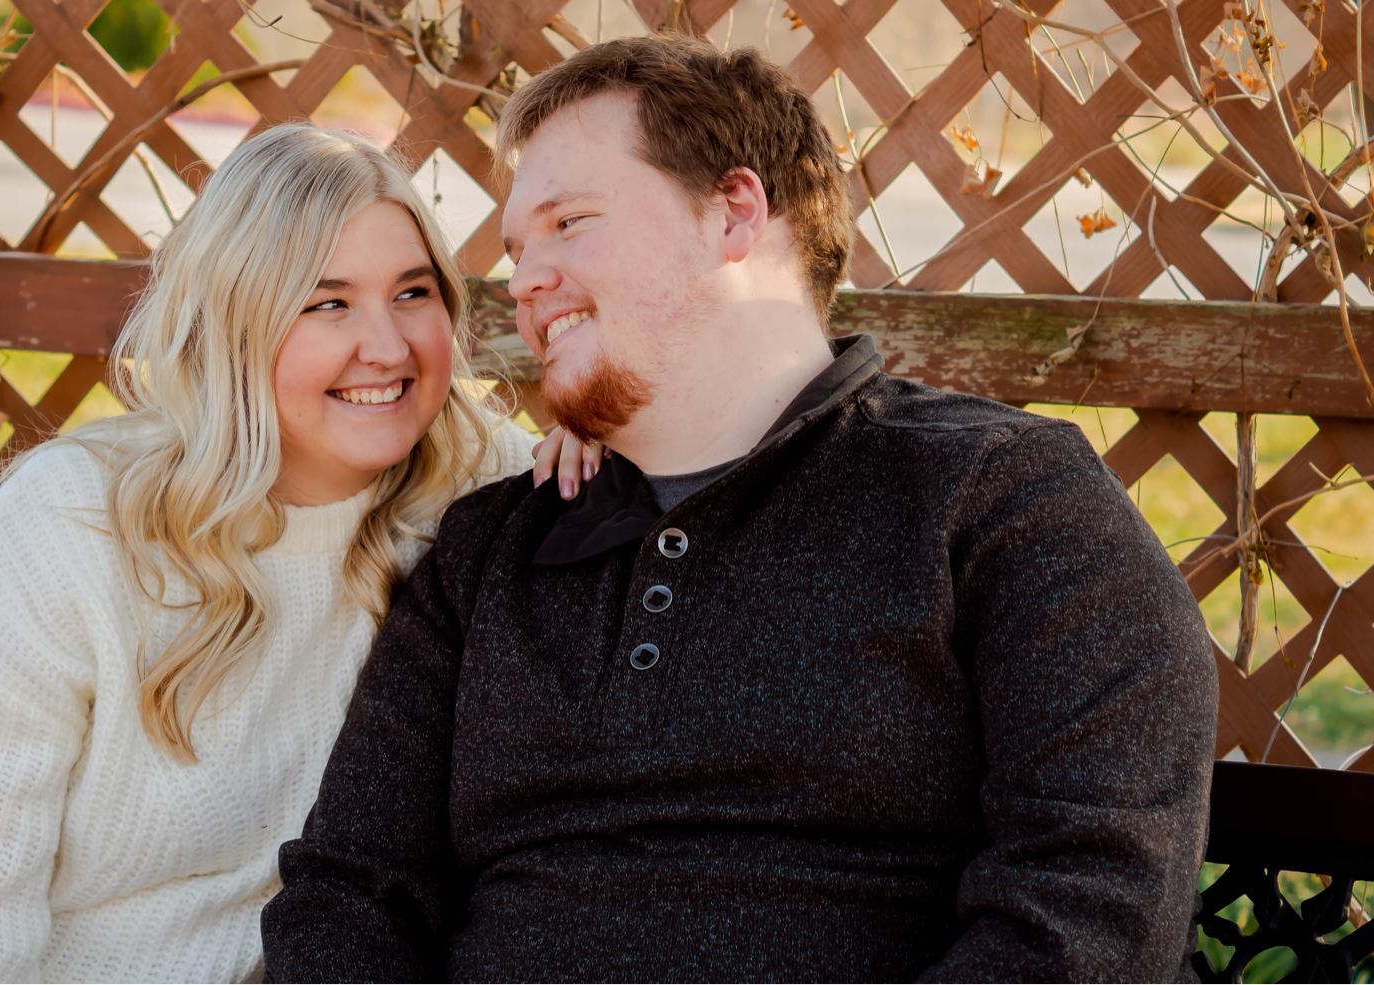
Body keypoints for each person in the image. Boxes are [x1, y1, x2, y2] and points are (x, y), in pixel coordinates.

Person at [262, 35, 1218, 982]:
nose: (522, 280)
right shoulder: (490, 551)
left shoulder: (1001, 499)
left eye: (568, 222)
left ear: (734, 212)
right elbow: (349, 890)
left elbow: (1093, 904)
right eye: (517, 249)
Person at [0, 123, 598, 982]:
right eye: (326, 303)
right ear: (234, 323)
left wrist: (606, 449)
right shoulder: (75, 527)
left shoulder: (481, 496)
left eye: (413, 292)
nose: (387, 346)